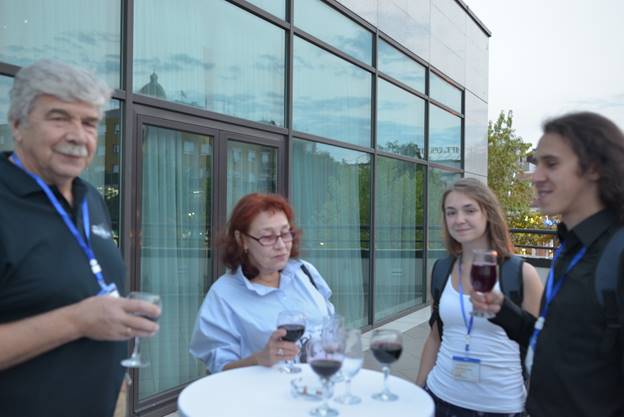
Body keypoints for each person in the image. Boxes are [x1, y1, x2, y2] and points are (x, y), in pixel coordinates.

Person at [0, 60, 160, 417]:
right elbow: (80, 313)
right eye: (59, 118)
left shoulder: (90, 198)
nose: (77, 135)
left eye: (89, 123)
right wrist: (77, 321)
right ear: (17, 125)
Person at [471, 112, 624, 417]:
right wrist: (503, 311)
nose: (535, 176)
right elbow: (555, 340)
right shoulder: (570, 247)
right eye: (536, 163)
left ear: (593, 167)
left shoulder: (617, 255)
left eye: (551, 164)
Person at [416, 178, 543, 417]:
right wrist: (419, 391)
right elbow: (434, 337)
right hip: (440, 398)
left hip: (501, 407)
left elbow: (541, 348)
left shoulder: (520, 273)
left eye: (470, 210)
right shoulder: (442, 269)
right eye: (450, 213)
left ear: (488, 213)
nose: (459, 220)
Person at [190, 192, 335, 373]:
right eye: (267, 237)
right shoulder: (223, 295)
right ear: (241, 240)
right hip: (267, 397)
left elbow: (330, 323)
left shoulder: (304, 272)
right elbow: (220, 370)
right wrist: (260, 358)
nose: (281, 245)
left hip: (318, 388)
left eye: (285, 233)